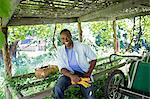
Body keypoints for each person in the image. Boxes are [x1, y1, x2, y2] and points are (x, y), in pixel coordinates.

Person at [54, 29, 97, 99]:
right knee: (58, 88)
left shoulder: (82, 46)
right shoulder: (60, 51)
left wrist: (88, 73)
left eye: (67, 37)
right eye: (63, 38)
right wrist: (71, 76)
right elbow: (62, 68)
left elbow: (93, 59)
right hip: (69, 74)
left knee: (90, 96)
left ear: (71, 36)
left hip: (83, 73)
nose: (66, 40)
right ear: (60, 40)